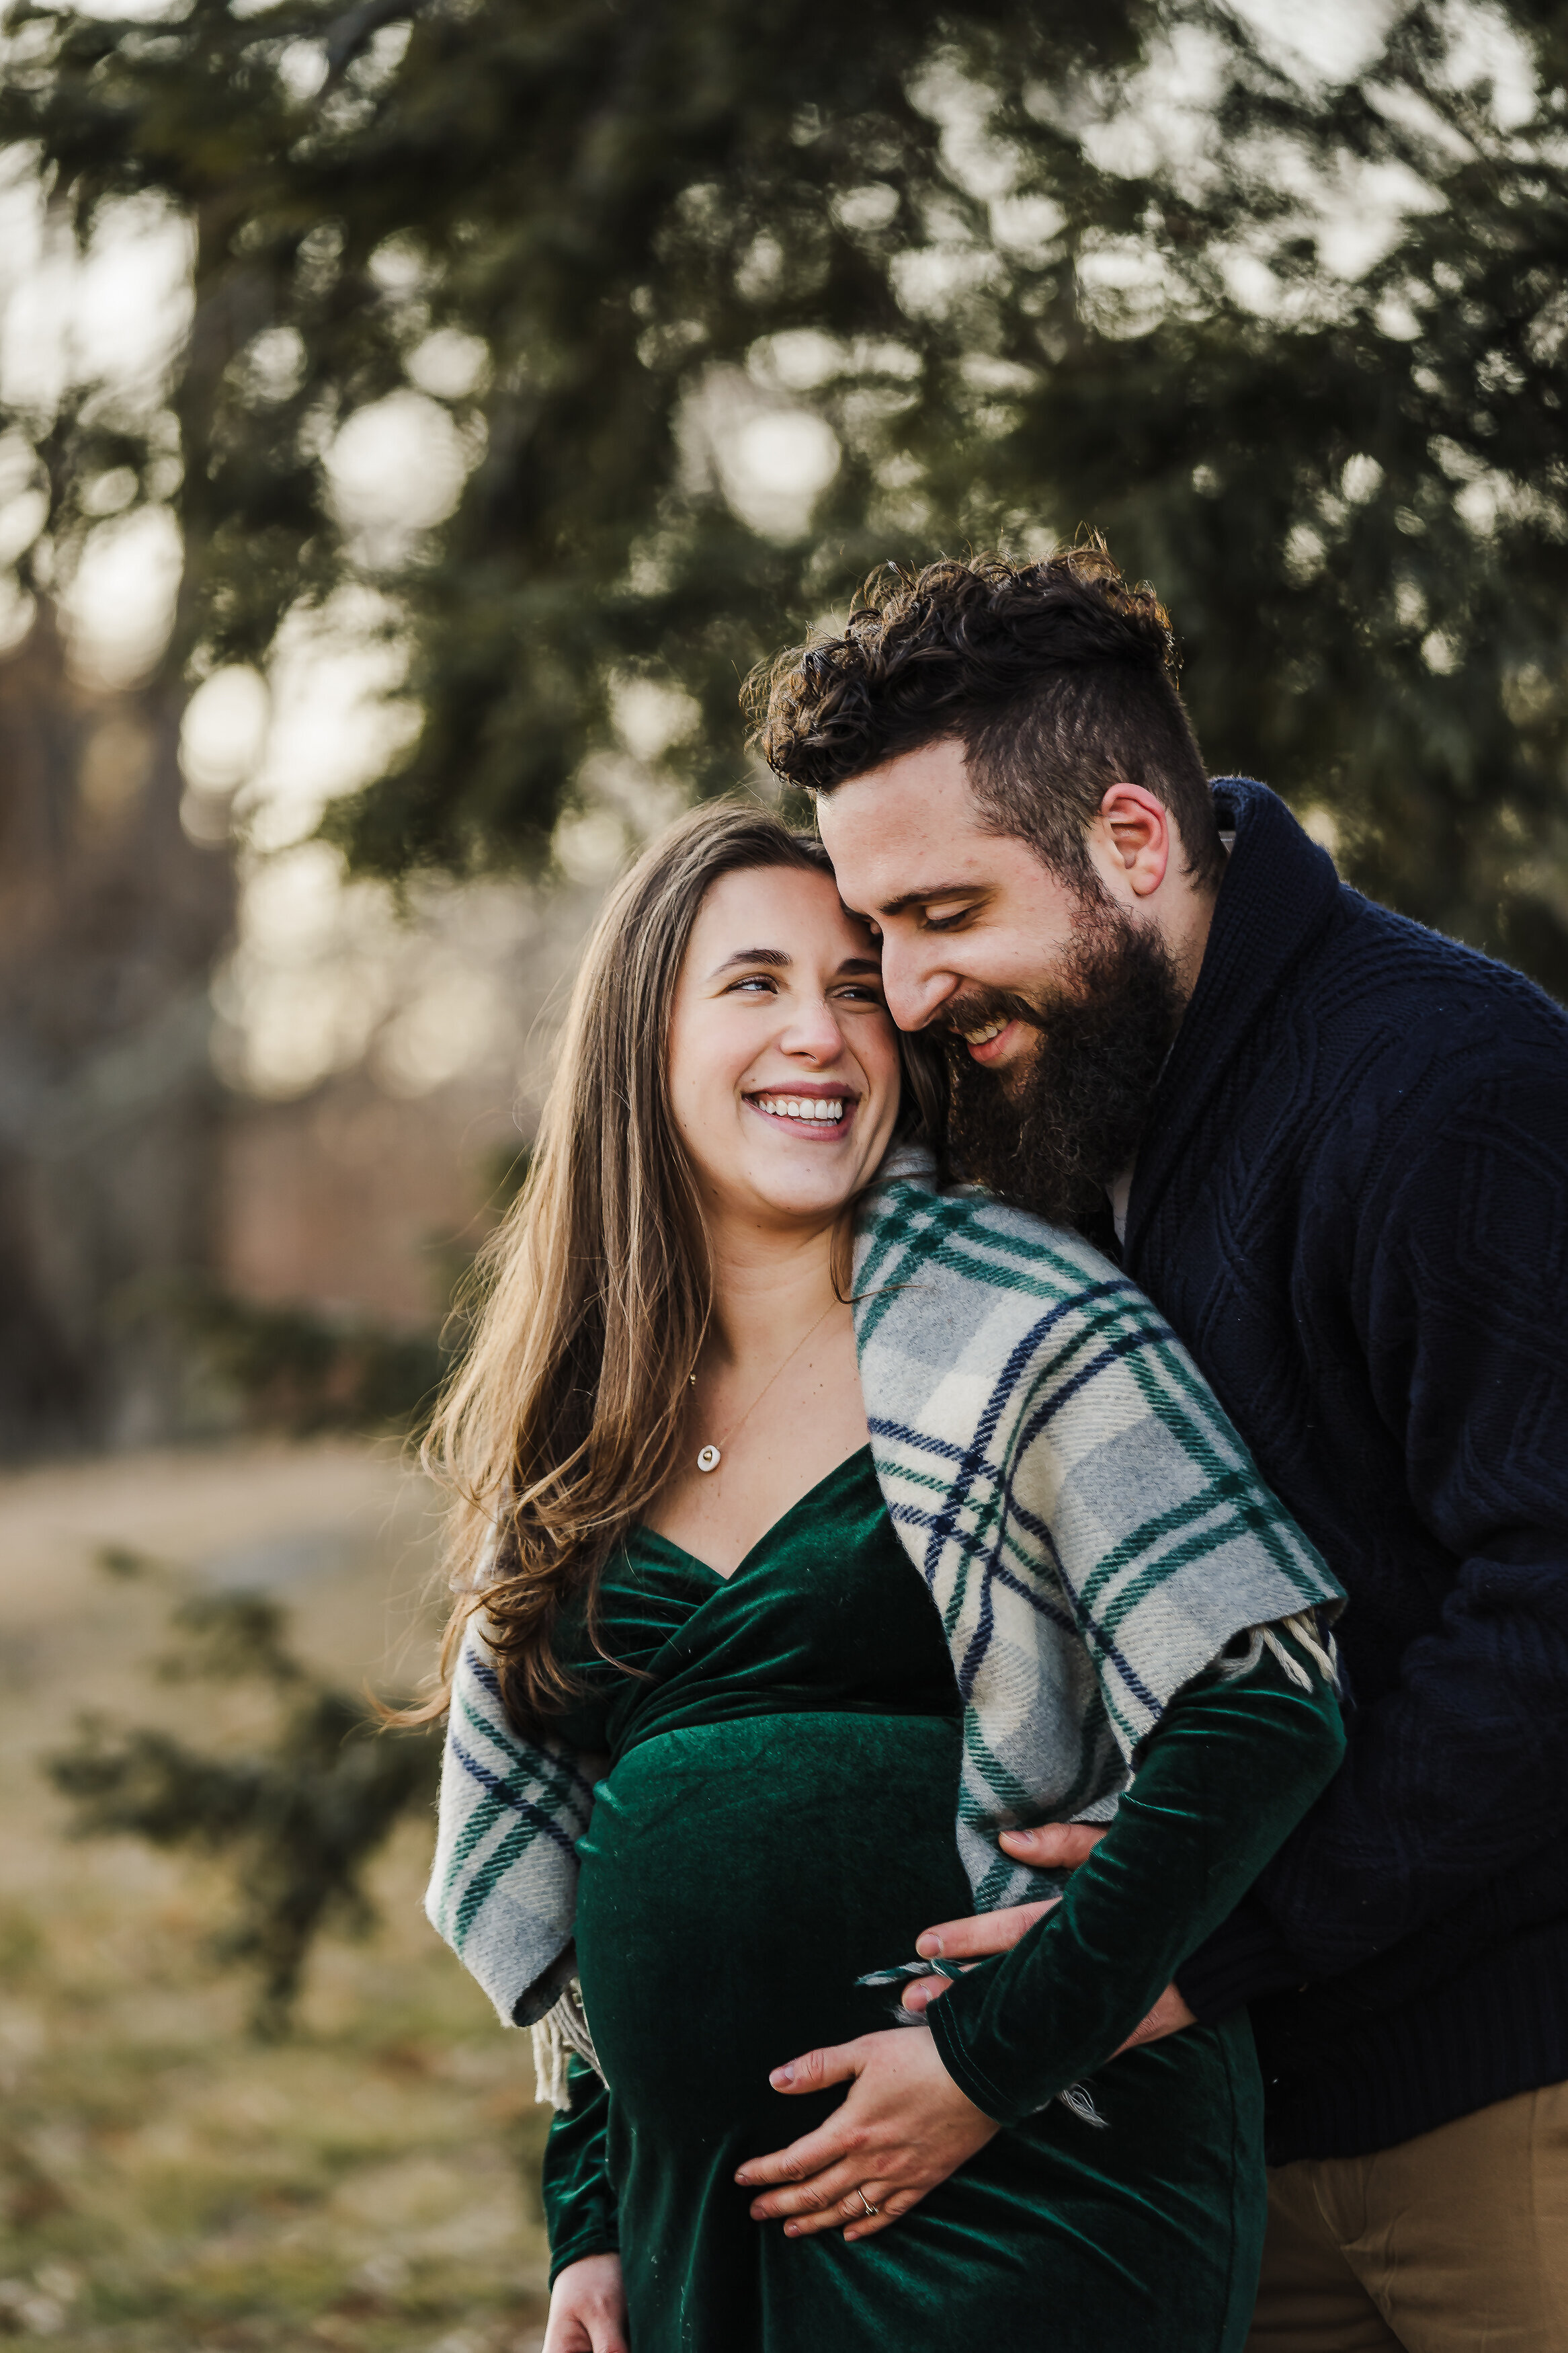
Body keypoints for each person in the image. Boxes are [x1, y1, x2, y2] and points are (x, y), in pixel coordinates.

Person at [750, 546, 1568, 2349]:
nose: (898, 991)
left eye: (943, 913)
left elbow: (1545, 1619)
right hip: (1210, 2134)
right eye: (874, 925)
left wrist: (1167, 1956)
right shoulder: (1026, 1129)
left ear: (1128, 841)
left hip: (1506, 2102)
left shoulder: (1448, 1085)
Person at [419, 800, 1346, 2353]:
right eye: (757, 985)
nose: (823, 1035)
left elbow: (1267, 1704)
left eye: (859, 988)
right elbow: (566, 1849)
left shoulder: (1028, 1320)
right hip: (700, 2209)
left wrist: (996, 2057)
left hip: (1033, 2166)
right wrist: (591, 2218)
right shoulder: (583, 1422)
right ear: (638, 1044)